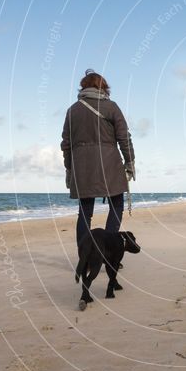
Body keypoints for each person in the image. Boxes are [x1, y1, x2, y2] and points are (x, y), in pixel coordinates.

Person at [61, 69, 135, 249]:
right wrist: (130, 162)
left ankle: (84, 255)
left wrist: (70, 168)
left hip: (82, 166)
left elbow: (66, 144)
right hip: (109, 164)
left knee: (85, 212)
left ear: (83, 87)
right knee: (116, 206)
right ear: (103, 87)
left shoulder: (73, 110)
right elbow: (124, 137)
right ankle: (108, 250)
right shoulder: (111, 107)